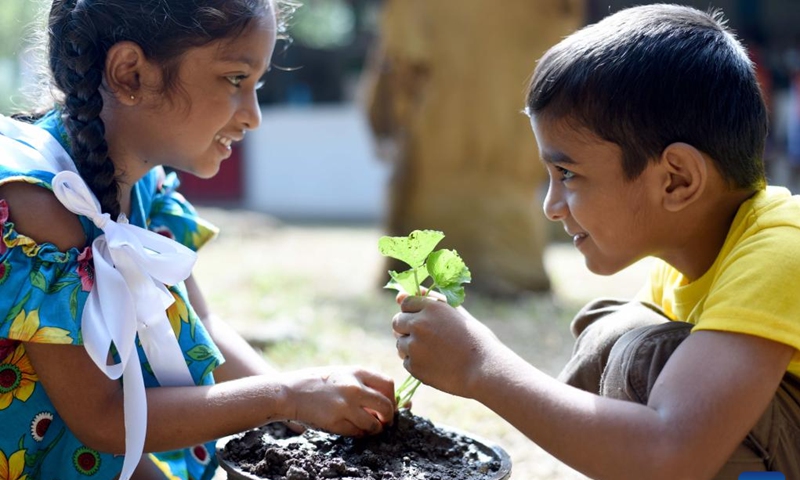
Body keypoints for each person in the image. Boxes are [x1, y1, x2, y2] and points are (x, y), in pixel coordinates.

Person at [392, 4, 800, 479]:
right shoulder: (691, 256)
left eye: (567, 174)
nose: (551, 205)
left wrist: (480, 366)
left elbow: (670, 453)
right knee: (610, 334)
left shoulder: (782, 253)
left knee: (643, 356)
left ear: (676, 180)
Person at [0, 1, 396, 479]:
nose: (253, 116)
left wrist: (306, 410)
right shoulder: (38, 202)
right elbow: (102, 420)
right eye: (234, 79)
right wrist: (285, 396)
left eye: (258, 84)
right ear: (130, 74)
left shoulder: (144, 184)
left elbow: (202, 321)